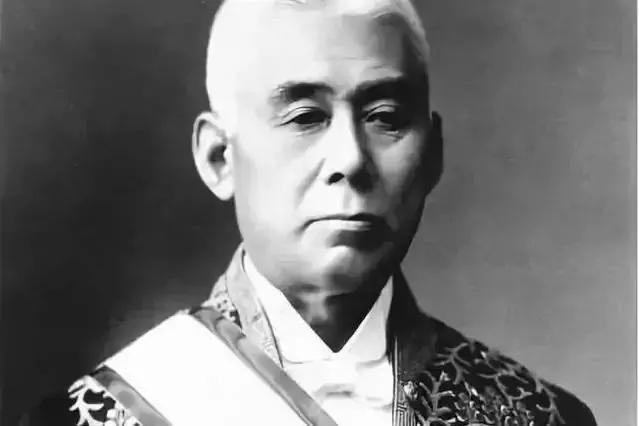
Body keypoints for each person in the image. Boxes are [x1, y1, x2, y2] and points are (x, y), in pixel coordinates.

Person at [22, 0, 596, 424]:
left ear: (433, 156)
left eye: (385, 117)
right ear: (219, 157)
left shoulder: (538, 416)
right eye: (304, 118)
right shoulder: (97, 415)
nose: (350, 159)